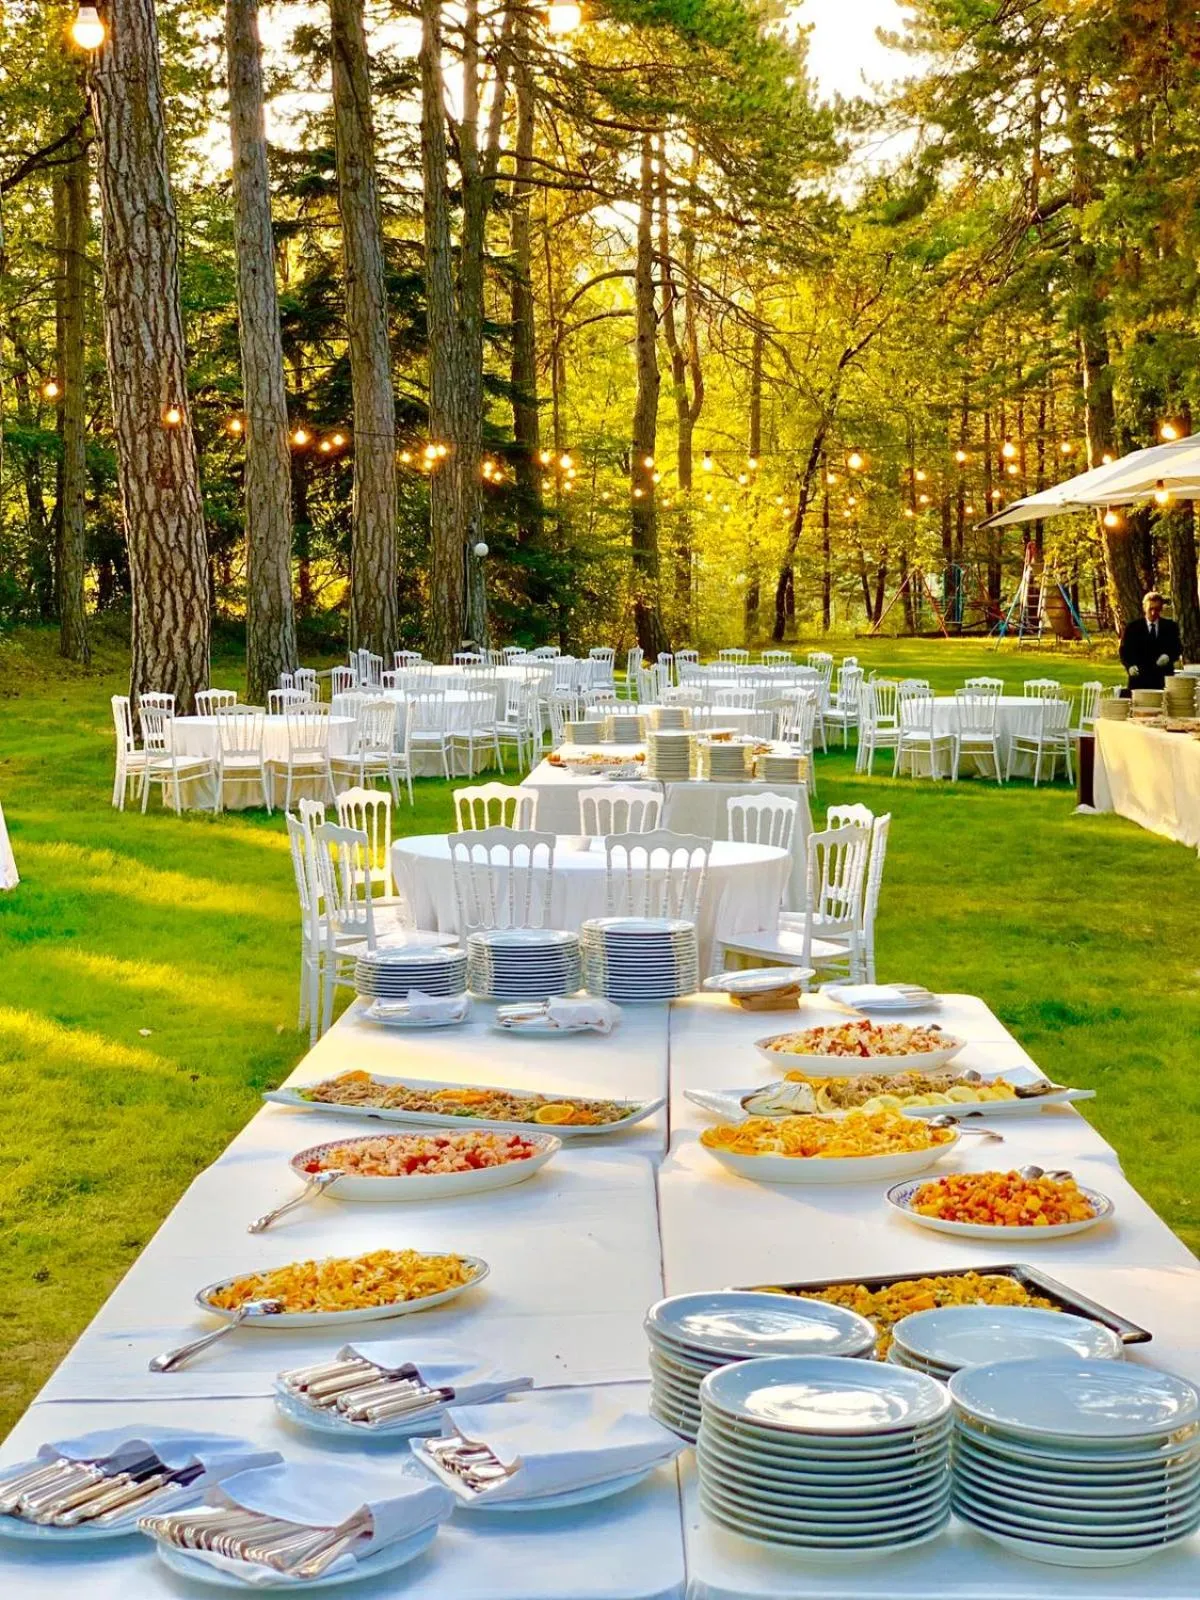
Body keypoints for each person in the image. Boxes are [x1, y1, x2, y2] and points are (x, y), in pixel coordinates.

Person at [1119, 591, 1182, 693]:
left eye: (1157, 609)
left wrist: (1168, 656)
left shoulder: (1170, 627)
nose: (1153, 613)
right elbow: (1124, 651)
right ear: (1144, 608)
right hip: (1139, 679)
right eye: (1150, 609)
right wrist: (1129, 666)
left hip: (1163, 679)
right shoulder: (1132, 628)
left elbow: (1178, 648)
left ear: (1161, 609)